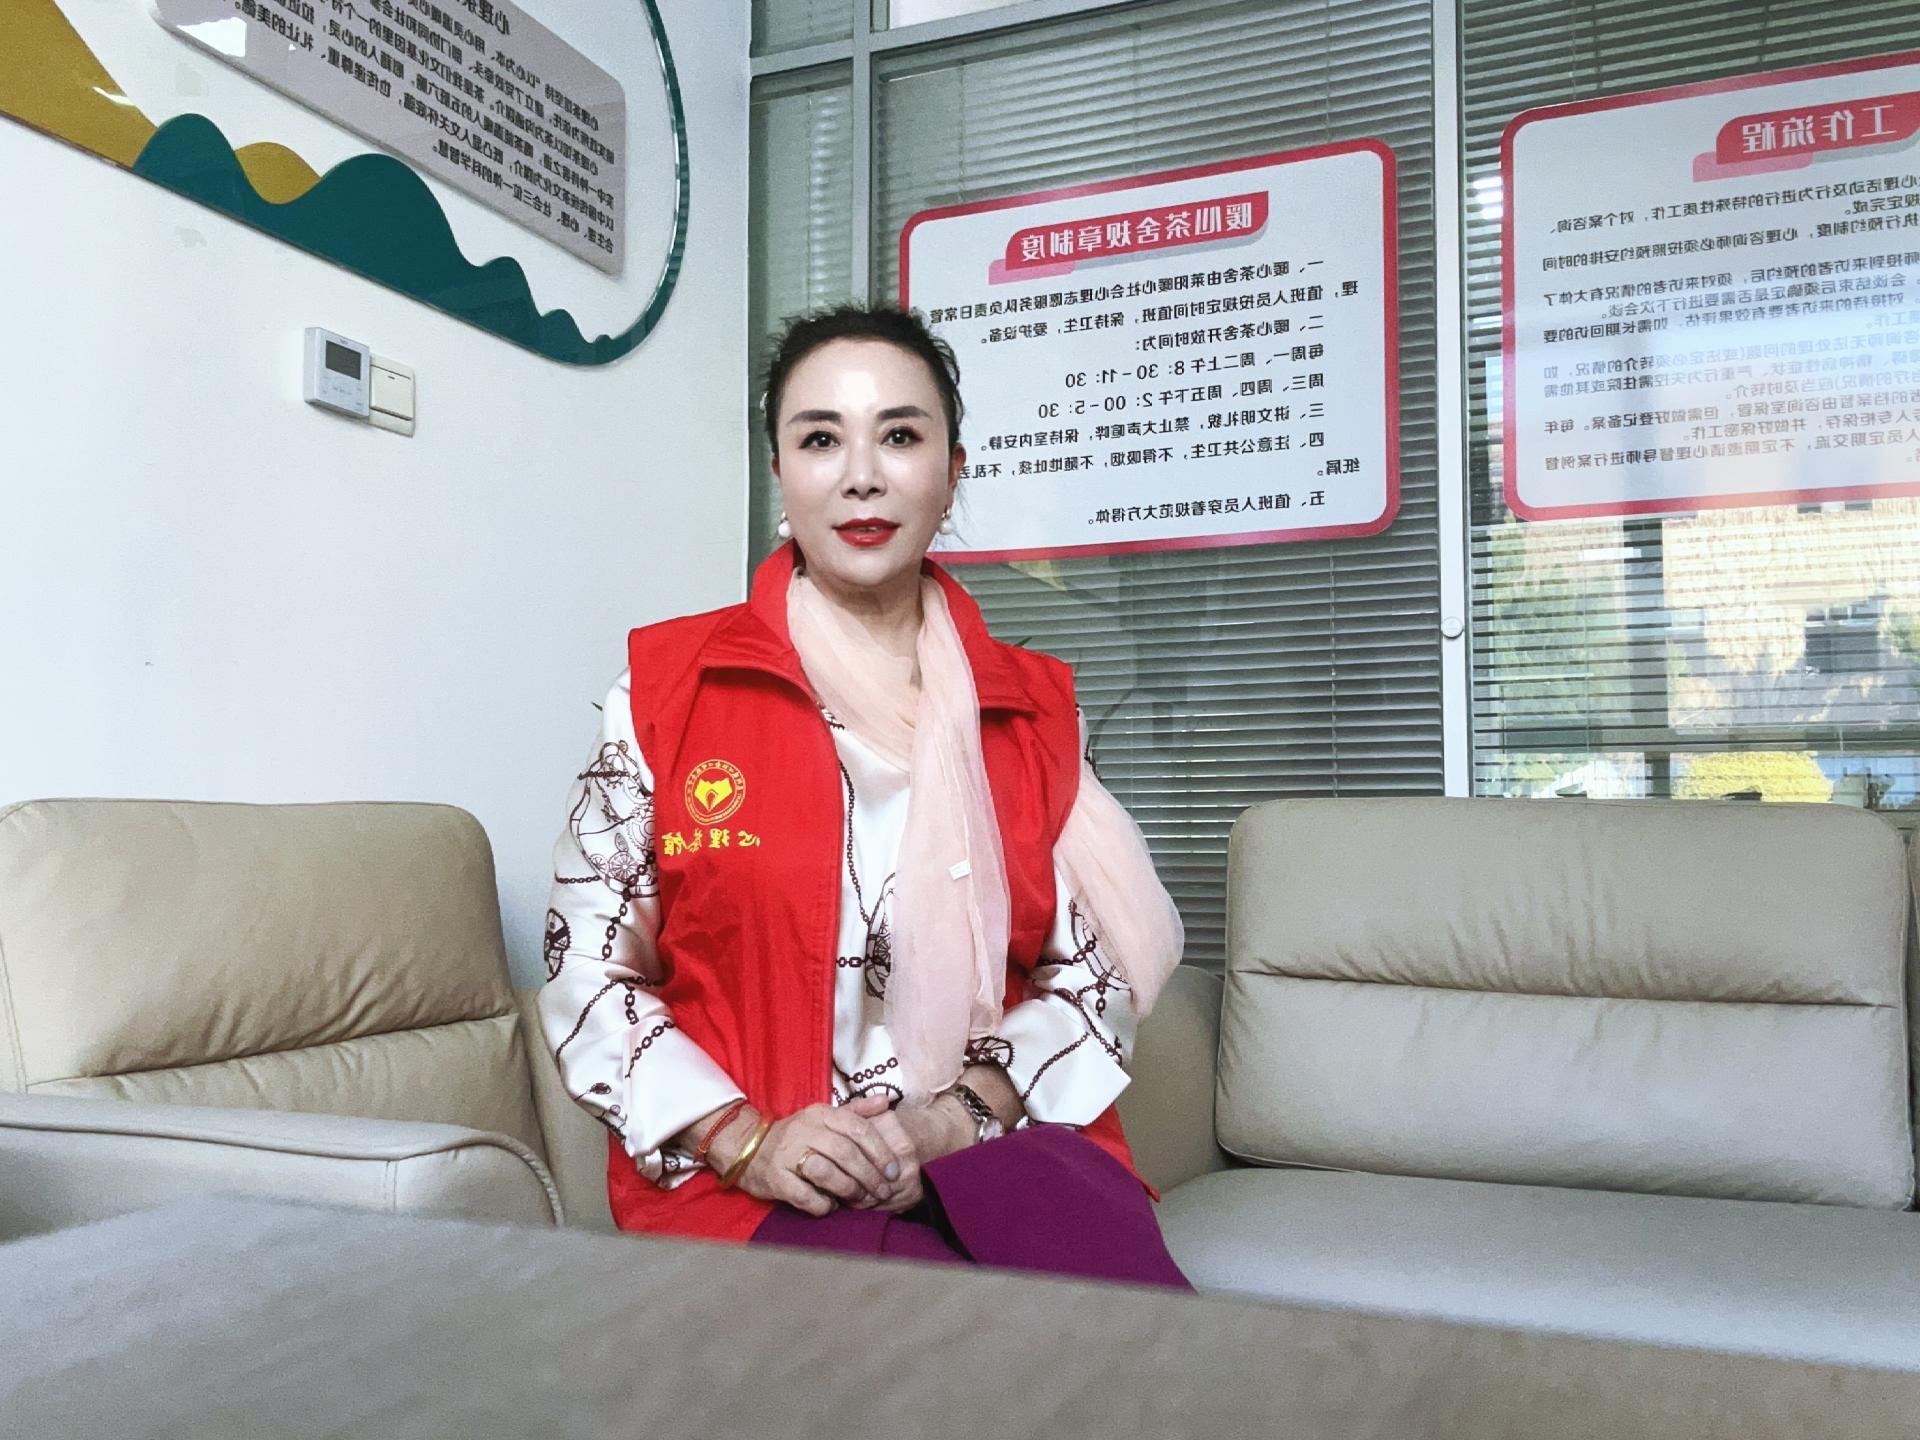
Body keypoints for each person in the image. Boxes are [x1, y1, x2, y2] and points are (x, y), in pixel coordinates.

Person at [538, 303, 1189, 1286]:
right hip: (751, 1188)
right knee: (908, 1352)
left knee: (1136, 1351)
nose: (861, 476)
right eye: (820, 440)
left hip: (996, 1153)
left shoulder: (1033, 711)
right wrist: (745, 1138)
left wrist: (953, 1119)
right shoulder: (668, 695)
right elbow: (586, 971)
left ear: (953, 470)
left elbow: (1091, 980)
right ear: (779, 471)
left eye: (899, 436)